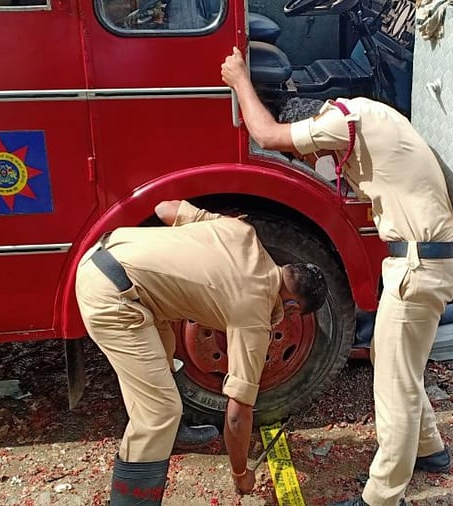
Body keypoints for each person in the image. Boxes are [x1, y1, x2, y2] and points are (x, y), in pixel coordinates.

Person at [221, 47, 453, 506]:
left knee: (393, 386)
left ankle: (381, 497)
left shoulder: (343, 121)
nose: (309, 161)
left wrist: (238, 80)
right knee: (392, 358)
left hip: (419, 265)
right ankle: (430, 449)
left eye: (306, 153)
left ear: (315, 129)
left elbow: (268, 135)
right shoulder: (374, 117)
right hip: (428, 260)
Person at [75, 199, 327, 505]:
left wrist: (212, 227)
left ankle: (174, 434)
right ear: (291, 306)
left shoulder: (241, 231)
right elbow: (237, 415)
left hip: (103, 254)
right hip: (113, 297)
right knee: (158, 413)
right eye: (292, 314)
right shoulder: (255, 311)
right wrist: (240, 473)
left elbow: (164, 209)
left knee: (164, 348)